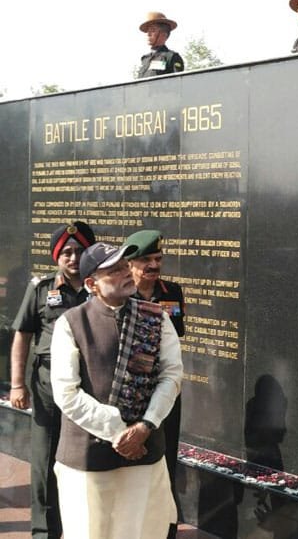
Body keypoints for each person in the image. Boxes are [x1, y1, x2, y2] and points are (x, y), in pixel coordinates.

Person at [50, 242, 183, 538]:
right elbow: (66, 393)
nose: (125, 273)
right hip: (89, 455)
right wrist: (120, 432)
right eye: (114, 270)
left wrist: (145, 426)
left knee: (144, 530)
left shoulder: (156, 317)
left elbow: (171, 375)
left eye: (125, 266)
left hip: (145, 451)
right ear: (91, 284)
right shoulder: (71, 323)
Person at [9, 220, 96, 539]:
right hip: (47, 383)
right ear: (56, 256)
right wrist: (17, 384)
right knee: (44, 458)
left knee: (88, 456)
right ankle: (44, 531)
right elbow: (22, 336)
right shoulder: (41, 289)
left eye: (80, 251)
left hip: (89, 384)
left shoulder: (99, 288)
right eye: (66, 253)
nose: (73, 258)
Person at [123, 229, 185, 539]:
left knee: (165, 458)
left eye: (158, 259)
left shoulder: (171, 291)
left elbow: (177, 332)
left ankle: (166, 529)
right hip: (130, 391)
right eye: (146, 260)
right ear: (130, 264)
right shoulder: (120, 295)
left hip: (164, 389)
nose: (154, 265)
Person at [137, 12, 184, 78]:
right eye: (148, 31)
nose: (148, 34)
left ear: (164, 34)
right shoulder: (145, 59)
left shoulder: (172, 57)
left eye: (152, 30)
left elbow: (179, 81)